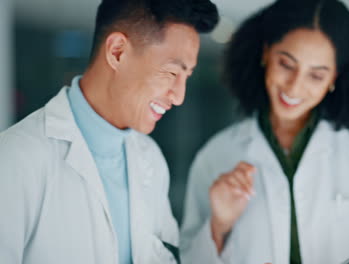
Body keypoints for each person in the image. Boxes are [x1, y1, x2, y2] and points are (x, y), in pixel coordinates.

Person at [180, 0, 349, 263]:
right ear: (266, 53)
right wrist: (219, 225)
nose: (295, 87)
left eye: (316, 75)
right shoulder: (217, 156)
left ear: (334, 79)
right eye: (286, 64)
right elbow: (191, 258)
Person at [0, 0, 218, 263]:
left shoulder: (150, 158)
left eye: (187, 76)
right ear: (117, 52)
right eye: (171, 72)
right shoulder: (15, 158)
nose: (179, 96)